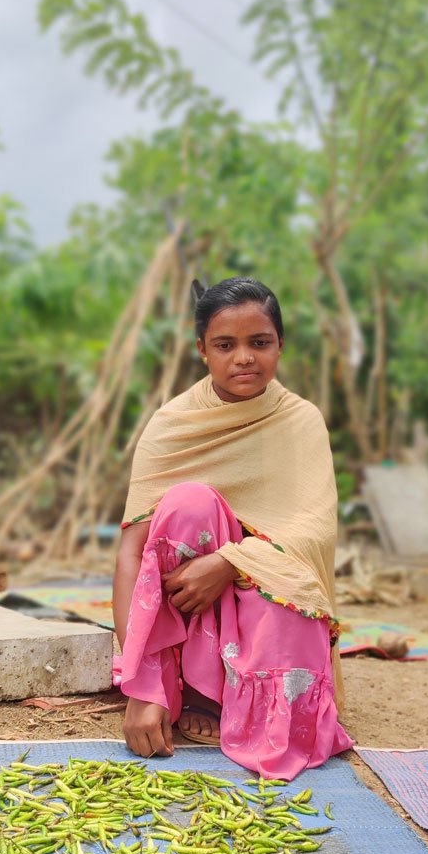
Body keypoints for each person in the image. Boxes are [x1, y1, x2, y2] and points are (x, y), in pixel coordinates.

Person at [111, 277, 352, 779]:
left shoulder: (301, 421)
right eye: (225, 345)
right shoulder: (173, 424)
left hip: (260, 588)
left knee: (290, 596)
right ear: (202, 350)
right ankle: (188, 688)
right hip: (191, 608)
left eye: (259, 342)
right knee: (189, 503)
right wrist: (141, 686)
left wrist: (229, 561)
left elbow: (312, 534)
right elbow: (132, 553)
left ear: (280, 345)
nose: (244, 358)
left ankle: (237, 695)